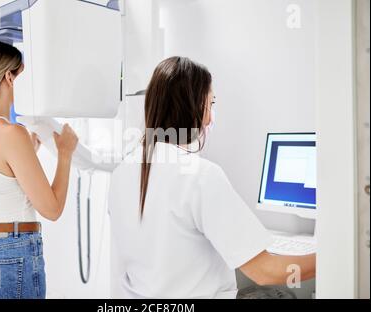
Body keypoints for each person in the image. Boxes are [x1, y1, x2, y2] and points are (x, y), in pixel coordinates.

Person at [108, 56, 316, 299]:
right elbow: (265, 272)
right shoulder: (200, 175)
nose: (212, 118)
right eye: (211, 104)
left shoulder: (122, 172)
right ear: (193, 107)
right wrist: (334, 256)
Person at [0, 41, 78, 299]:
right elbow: (53, 209)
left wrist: (28, 152)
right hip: (10, 263)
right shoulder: (11, 132)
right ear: (8, 77)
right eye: (23, 74)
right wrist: (65, 154)